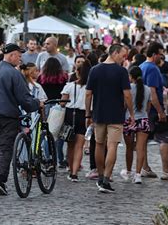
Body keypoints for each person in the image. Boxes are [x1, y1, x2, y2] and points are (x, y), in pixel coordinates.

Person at [0, 43, 40, 196]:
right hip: (7, 116)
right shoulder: (14, 74)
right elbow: (24, 98)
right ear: (11, 55)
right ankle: (0, 180)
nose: (20, 58)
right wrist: (36, 104)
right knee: (6, 148)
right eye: (18, 55)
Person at [85, 44, 135, 193]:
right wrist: (131, 113)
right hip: (115, 114)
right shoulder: (121, 72)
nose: (124, 59)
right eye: (122, 55)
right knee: (112, 145)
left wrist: (88, 113)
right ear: (114, 53)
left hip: (99, 113)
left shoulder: (94, 70)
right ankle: (106, 179)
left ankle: (100, 176)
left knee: (99, 145)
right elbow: (127, 94)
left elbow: (88, 94)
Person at [140, 42, 168, 180]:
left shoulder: (141, 67)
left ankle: (145, 168)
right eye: (160, 54)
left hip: (143, 109)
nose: (161, 58)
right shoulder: (153, 69)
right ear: (154, 54)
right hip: (153, 110)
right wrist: (161, 111)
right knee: (164, 138)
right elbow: (153, 92)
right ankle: (166, 170)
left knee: (143, 139)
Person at [61, 60, 91, 182]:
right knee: (79, 145)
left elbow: (63, 103)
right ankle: (74, 173)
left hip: (70, 115)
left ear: (78, 72)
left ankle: (69, 166)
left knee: (70, 144)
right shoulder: (90, 88)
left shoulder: (69, 86)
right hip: (84, 115)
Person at [121, 66, 151, 184]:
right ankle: (138, 174)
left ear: (130, 76)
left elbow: (124, 105)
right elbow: (148, 107)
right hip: (143, 119)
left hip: (129, 119)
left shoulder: (128, 89)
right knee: (140, 148)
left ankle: (128, 171)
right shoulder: (147, 89)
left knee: (129, 147)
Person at [37, 57, 68, 168]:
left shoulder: (41, 77)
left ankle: (48, 157)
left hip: (46, 105)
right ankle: (59, 157)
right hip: (59, 105)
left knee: (46, 132)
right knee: (59, 132)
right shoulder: (63, 77)